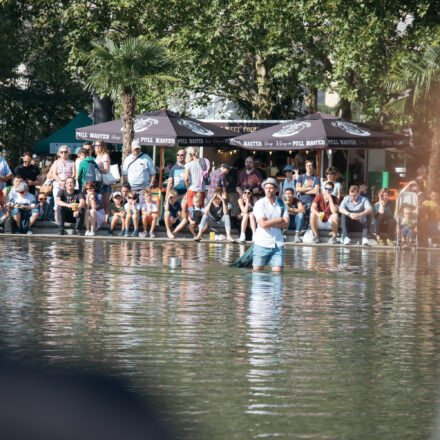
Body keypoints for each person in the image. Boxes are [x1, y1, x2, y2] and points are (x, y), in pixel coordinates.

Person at [252, 178, 289, 273]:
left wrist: (270, 222)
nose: (268, 190)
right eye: (266, 188)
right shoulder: (259, 204)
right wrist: (279, 220)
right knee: (257, 272)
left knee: (278, 272)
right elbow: (263, 224)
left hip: (278, 243)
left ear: (276, 189)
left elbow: (286, 225)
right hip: (262, 242)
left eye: (271, 188)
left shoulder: (282, 204)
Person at [52, 145, 75, 222]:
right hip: (58, 184)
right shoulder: (56, 162)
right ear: (59, 153)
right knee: (57, 202)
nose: (64, 153)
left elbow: (74, 173)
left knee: (67, 201)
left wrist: (67, 181)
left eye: (65, 152)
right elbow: (54, 174)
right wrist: (61, 181)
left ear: (68, 153)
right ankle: (57, 223)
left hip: (68, 185)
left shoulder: (72, 162)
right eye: (62, 152)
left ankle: (67, 221)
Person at [295, 159, 320, 228]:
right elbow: (297, 189)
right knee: (300, 216)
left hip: (312, 202)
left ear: (312, 167)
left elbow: (316, 191)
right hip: (302, 201)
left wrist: (303, 190)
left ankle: (309, 233)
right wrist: (310, 188)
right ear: (305, 167)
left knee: (311, 219)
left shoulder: (316, 178)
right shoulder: (301, 177)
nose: (309, 167)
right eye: (307, 165)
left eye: (310, 165)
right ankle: (298, 232)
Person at [94, 141, 112, 221]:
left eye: (99, 145)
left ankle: (106, 221)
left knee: (105, 204)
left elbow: (106, 170)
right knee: (98, 203)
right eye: (96, 145)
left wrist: (96, 169)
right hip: (98, 182)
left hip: (105, 182)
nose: (97, 147)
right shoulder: (97, 156)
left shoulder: (105, 156)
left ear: (103, 146)